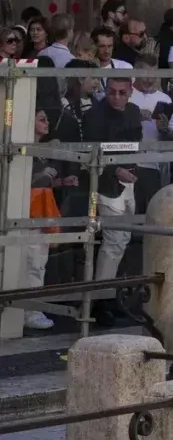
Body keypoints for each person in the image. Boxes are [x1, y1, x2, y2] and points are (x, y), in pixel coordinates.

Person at [82, 77, 143, 324]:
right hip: (105, 183)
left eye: (122, 93)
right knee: (113, 241)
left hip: (128, 179)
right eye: (112, 93)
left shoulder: (134, 111)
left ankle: (108, 295)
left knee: (122, 240)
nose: (117, 97)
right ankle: (101, 300)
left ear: (130, 92)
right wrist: (116, 170)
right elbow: (91, 152)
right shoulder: (95, 115)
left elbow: (135, 143)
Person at [23, 107, 79, 329]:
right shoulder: (22, 147)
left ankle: (31, 310)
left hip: (41, 213)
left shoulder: (43, 151)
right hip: (24, 214)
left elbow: (42, 184)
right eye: (42, 119)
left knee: (38, 265)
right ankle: (28, 312)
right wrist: (42, 175)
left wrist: (60, 182)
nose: (47, 123)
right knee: (29, 265)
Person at [129, 55, 173, 215]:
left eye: (154, 75)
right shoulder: (125, 94)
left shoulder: (164, 99)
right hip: (127, 162)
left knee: (151, 213)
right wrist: (134, 115)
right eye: (146, 75)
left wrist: (165, 130)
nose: (150, 80)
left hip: (153, 166)